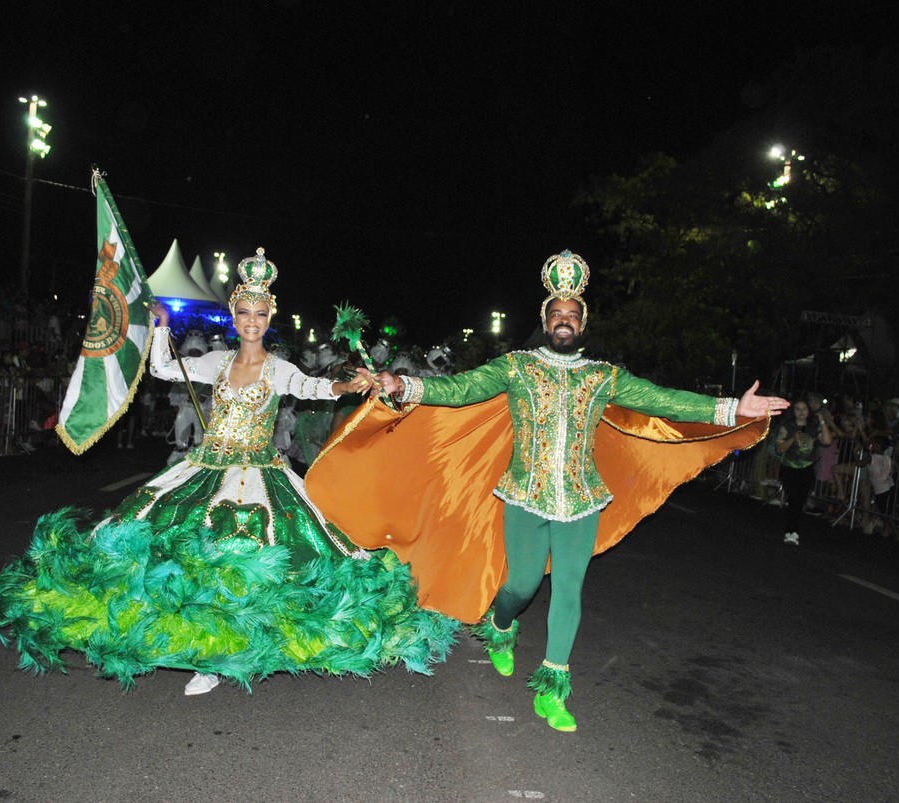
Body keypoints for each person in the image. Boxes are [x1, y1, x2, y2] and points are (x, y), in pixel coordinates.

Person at [306, 250, 787, 733]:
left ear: (582, 323)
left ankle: (553, 690)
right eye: (556, 314)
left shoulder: (603, 376)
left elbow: (663, 399)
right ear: (545, 321)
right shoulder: (516, 367)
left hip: (582, 500)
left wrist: (731, 408)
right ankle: (500, 624)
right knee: (523, 584)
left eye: (572, 315)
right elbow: (459, 389)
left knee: (569, 588)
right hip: (524, 496)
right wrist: (404, 385)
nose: (564, 321)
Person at [0, 248, 456, 693]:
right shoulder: (216, 360)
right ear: (234, 317)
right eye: (245, 313)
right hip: (203, 468)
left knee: (245, 564)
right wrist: (161, 325)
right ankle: (200, 653)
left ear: (269, 319)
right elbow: (167, 370)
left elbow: (315, 387)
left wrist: (349, 384)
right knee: (183, 559)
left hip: (260, 477)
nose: (252, 322)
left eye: (261, 314)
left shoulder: (279, 368)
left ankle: (225, 654)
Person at [775, 399, 833, 545]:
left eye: (804, 409)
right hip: (789, 467)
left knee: (800, 500)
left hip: (806, 468)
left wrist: (822, 422)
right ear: (793, 412)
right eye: (798, 409)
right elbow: (779, 448)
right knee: (793, 498)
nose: (801, 412)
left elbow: (827, 441)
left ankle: (793, 530)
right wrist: (793, 439)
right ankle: (791, 530)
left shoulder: (813, 427)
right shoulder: (787, 427)